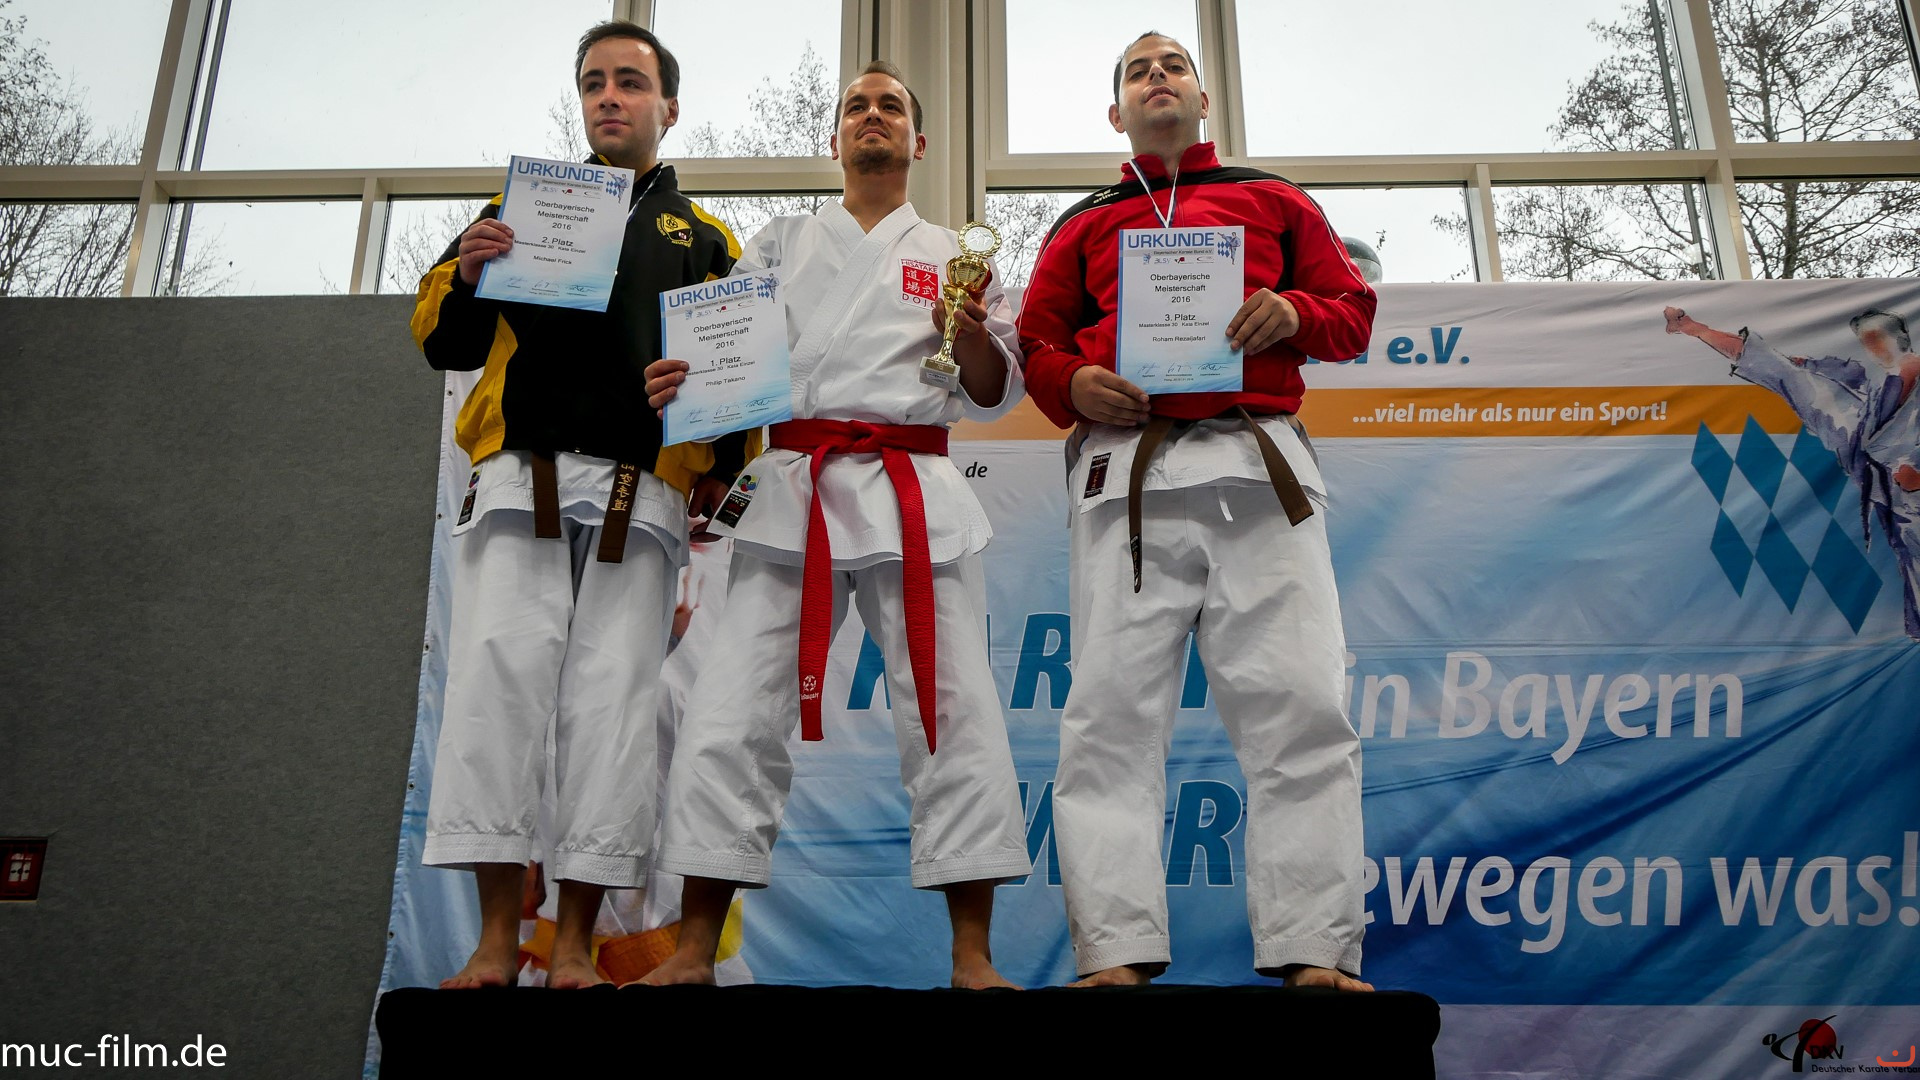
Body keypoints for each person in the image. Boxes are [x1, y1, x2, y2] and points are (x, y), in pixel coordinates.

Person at [638, 62, 1031, 989]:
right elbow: (729, 360)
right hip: (795, 487)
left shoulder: (955, 251)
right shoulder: (779, 243)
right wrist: (688, 386)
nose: (872, 116)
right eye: (857, 106)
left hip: (912, 485)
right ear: (835, 139)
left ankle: (972, 956)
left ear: (918, 142)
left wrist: (974, 330)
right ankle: (693, 949)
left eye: (890, 106)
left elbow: (991, 390)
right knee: (731, 712)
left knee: (954, 713)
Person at [1016, 32, 1375, 991]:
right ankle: (1114, 952)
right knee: (1108, 718)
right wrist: (1073, 381)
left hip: (1260, 471)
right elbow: (1037, 345)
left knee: (1302, 706)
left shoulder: (1274, 198)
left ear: (1203, 98)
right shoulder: (1083, 224)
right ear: (1116, 113)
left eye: (1173, 65)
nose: (1157, 78)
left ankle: (1315, 949)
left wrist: (1295, 313)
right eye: (1138, 72)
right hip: (1128, 476)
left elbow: (1351, 313)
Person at [409, 21, 750, 990]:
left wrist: (720, 450)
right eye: (595, 81)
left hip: (642, 501)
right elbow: (442, 339)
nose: (610, 96)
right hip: (523, 482)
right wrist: (470, 269)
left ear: (668, 107)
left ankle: (573, 947)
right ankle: (494, 942)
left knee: (615, 717)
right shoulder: (520, 208)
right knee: (495, 698)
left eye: (630, 82)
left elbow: (736, 377)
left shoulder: (705, 237)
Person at [1664, 305, 1920, 639]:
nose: (1875, 346)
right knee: (1788, 374)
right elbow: (1783, 371)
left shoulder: (1904, 377)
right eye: (1867, 340)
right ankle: (1697, 329)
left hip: (1906, 491)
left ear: (1901, 336)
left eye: (1879, 337)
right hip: (1892, 496)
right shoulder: (1864, 390)